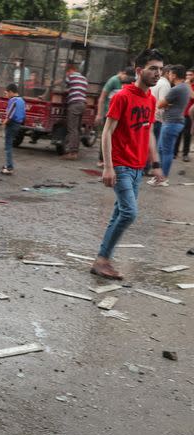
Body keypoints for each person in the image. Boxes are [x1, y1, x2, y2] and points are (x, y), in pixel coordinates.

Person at [91, 48, 164, 281]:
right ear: (139, 70)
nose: (157, 73)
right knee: (129, 213)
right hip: (121, 165)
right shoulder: (122, 96)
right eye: (153, 68)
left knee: (119, 213)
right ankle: (102, 260)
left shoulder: (151, 100)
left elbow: (149, 131)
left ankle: (102, 259)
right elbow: (107, 132)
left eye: (161, 70)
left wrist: (155, 163)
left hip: (137, 168)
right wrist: (108, 166)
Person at [153, 64, 189, 186]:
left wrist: (165, 104)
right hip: (175, 121)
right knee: (162, 149)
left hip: (171, 122)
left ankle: (163, 178)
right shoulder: (185, 87)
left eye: (170, 73)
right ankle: (160, 176)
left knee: (166, 151)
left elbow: (159, 104)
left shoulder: (176, 89)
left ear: (174, 75)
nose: (169, 75)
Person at [95, 66, 132, 167]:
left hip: (121, 115)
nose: (126, 79)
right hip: (109, 113)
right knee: (106, 135)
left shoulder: (128, 83)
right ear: (122, 73)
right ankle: (101, 160)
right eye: (126, 76)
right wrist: (99, 113)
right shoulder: (113, 81)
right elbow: (102, 98)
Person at [61, 62, 88, 160]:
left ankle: (72, 153)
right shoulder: (84, 79)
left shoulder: (71, 77)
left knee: (72, 129)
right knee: (76, 129)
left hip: (75, 105)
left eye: (66, 72)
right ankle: (75, 151)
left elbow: (62, 86)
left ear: (70, 70)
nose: (66, 74)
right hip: (83, 104)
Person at [1, 83, 25, 174]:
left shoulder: (13, 100)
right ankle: (8, 164)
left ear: (11, 92)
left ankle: (9, 167)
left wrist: (4, 122)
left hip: (11, 124)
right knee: (9, 144)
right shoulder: (22, 100)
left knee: (8, 146)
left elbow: (10, 114)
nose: (6, 95)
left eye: (6, 93)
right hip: (18, 124)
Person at [173, 66, 193, 162]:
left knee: (187, 134)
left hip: (189, 115)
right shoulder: (182, 85)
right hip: (180, 113)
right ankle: (175, 152)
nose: (188, 76)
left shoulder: (189, 85)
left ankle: (185, 154)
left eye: (190, 74)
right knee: (178, 133)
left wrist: (188, 85)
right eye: (187, 75)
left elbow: (192, 96)